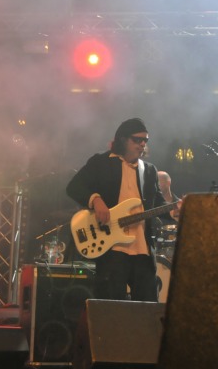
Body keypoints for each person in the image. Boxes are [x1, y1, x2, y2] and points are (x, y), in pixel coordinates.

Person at [66, 118, 175, 301]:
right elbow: (74, 187)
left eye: (145, 140)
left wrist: (175, 210)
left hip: (142, 249)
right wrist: (96, 200)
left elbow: (158, 205)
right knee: (111, 306)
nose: (142, 144)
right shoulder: (101, 162)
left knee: (148, 307)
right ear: (123, 139)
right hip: (113, 249)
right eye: (137, 140)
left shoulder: (149, 171)